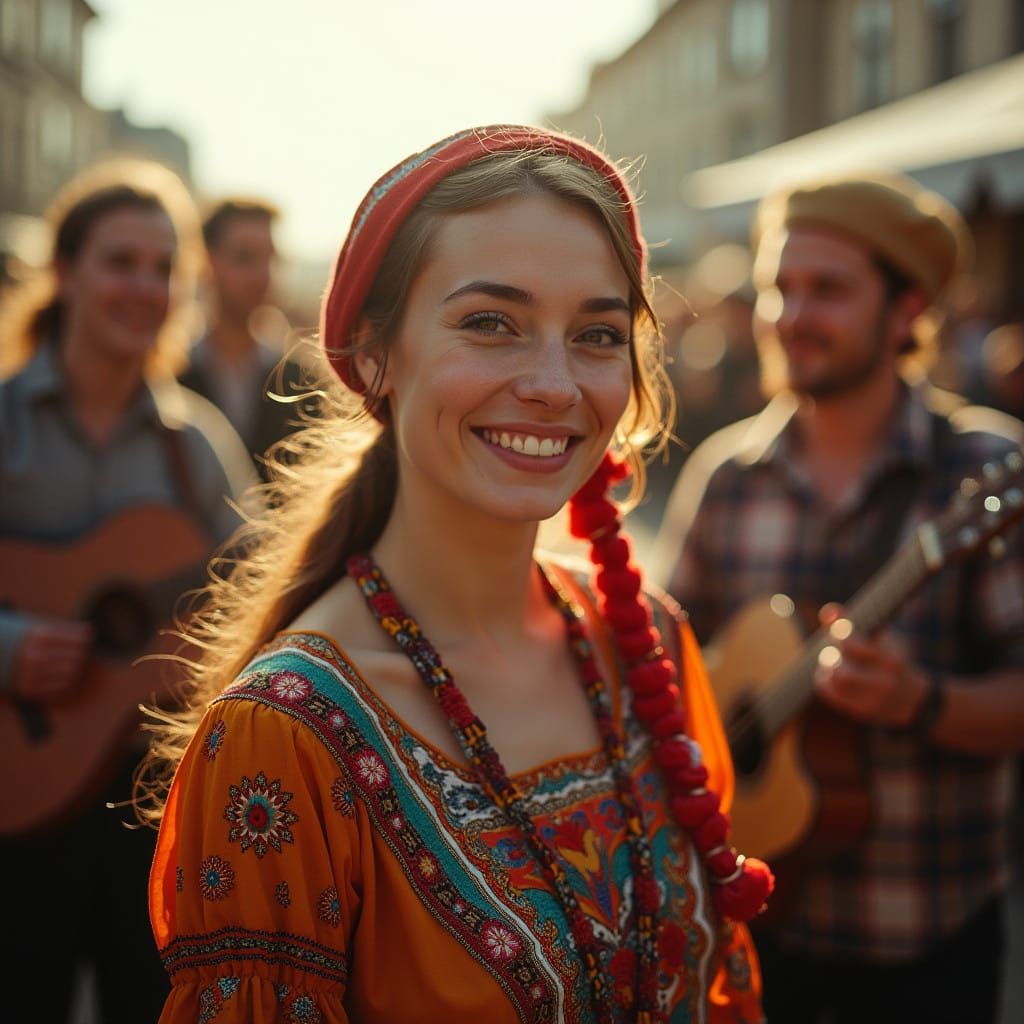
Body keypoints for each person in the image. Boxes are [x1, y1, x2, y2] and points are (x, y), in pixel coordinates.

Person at [143, 125, 774, 1024]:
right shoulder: (279, 738)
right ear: (372, 353)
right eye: (491, 323)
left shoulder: (649, 648)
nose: (556, 384)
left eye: (597, 334)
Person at [656, 173, 1024, 1023]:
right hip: (749, 934)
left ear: (907, 311)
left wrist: (920, 701)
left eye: (827, 290)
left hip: (925, 942)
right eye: (779, 288)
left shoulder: (981, 469)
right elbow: (663, 676)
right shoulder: (727, 477)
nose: (790, 316)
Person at [0, 159, 252, 1022]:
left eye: (163, 267)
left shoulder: (198, 446)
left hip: (153, 808)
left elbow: (259, 599)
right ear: (64, 273)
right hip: (15, 793)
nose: (146, 286)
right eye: (121, 262)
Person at [180, 197, 307, 479]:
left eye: (270, 259)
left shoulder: (302, 378)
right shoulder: (170, 371)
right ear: (206, 263)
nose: (262, 275)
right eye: (245, 258)